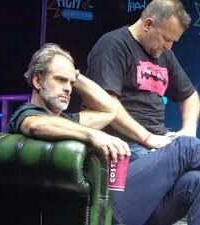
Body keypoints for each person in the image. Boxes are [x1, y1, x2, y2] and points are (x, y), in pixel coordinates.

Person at [86, 0, 200, 224]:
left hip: (156, 154)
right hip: (124, 154)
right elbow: (108, 107)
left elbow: (190, 96)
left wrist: (187, 129)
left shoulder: (163, 55)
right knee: (186, 148)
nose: (169, 47)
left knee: (197, 181)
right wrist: (148, 138)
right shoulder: (112, 45)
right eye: (166, 39)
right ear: (148, 24)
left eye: (173, 42)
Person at [7, 43, 131, 163]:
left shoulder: (66, 122)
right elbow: (36, 125)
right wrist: (93, 135)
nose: (69, 89)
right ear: (38, 81)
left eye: (71, 83)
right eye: (61, 79)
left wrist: (76, 76)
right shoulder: (25, 113)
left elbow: (110, 109)